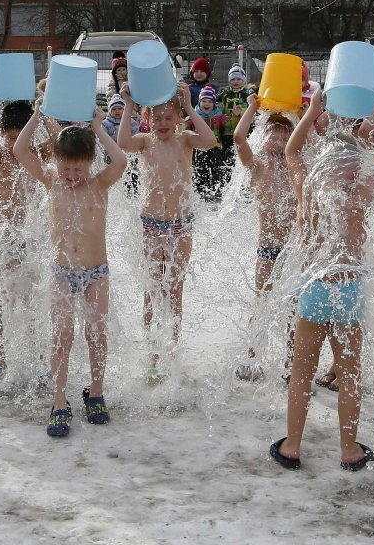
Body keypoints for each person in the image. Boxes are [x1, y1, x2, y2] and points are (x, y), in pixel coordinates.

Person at [270, 89, 374, 472]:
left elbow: (292, 152)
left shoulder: (309, 190)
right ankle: (348, 450)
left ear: (322, 166)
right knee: (350, 375)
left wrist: (312, 111)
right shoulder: (360, 194)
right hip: (349, 289)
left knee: (303, 372)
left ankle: (292, 445)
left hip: (315, 288)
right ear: (357, 168)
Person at [13, 102, 127, 438]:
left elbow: (120, 160)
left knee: (96, 336)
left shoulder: (99, 184)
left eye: (78, 170)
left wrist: (98, 128)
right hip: (62, 272)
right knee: (62, 337)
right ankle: (59, 401)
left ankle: (95, 392)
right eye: (66, 169)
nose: (72, 177)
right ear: (56, 162)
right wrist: (37, 115)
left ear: (89, 164)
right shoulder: (51, 181)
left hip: (96, 273)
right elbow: (20, 149)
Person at [118, 83, 217, 382]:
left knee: (174, 290)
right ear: (148, 118)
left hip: (180, 225)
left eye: (168, 117)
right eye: (156, 117)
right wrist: (129, 106)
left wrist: (189, 107)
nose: (162, 124)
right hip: (150, 225)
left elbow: (210, 140)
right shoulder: (145, 142)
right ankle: (153, 353)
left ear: (177, 119)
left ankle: (171, 350)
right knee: (152, 290)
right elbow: (122, 141)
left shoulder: (186, 140)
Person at [0, 91, 58, 377]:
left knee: (34, 296)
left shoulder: (37, 154)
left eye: (20, 137)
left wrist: (43, 111)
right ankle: (1, 358)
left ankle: (37, 356)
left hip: (33, 235)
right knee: (4, 296)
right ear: (3, 134)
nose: (14, 144)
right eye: (10, 137)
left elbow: (61, 139)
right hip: (6, 235)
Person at [231, 95, 296, 381]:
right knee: (261, 302)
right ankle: (252, 358)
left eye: (286, 138)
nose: (279, 143)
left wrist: (304, 114)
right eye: (274, 137)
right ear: (264, 137)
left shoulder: (298, 168)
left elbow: (315, 145)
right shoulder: (258, 168)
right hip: (268, 249)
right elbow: (237, 138)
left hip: (294, 250)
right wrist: (254, 108)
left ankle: (291, 364)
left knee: (295, 309)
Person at [187, 85, 228, 201]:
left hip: (216, 146)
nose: (206, 103)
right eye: (203, 101)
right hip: (199, 147)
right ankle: (201, 191)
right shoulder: (194, 116)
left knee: (217, 167)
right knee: (200, 167)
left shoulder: (219, 116)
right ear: (199, 102)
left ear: (214, 103)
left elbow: (229, 127)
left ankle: (217, 189)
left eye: (210, 101)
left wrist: (232, 117)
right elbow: (184, 128)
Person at [217, 64, 253, 157]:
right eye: (232, 79)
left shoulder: (248, 94)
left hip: (244, 130)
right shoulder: (224, 94)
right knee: (228, 154)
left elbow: (253, 110)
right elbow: (217, 109)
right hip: (228, 130)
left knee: (243, 152)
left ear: (243, 80)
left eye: (238, 79)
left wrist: (240, 113)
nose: (235, 81)